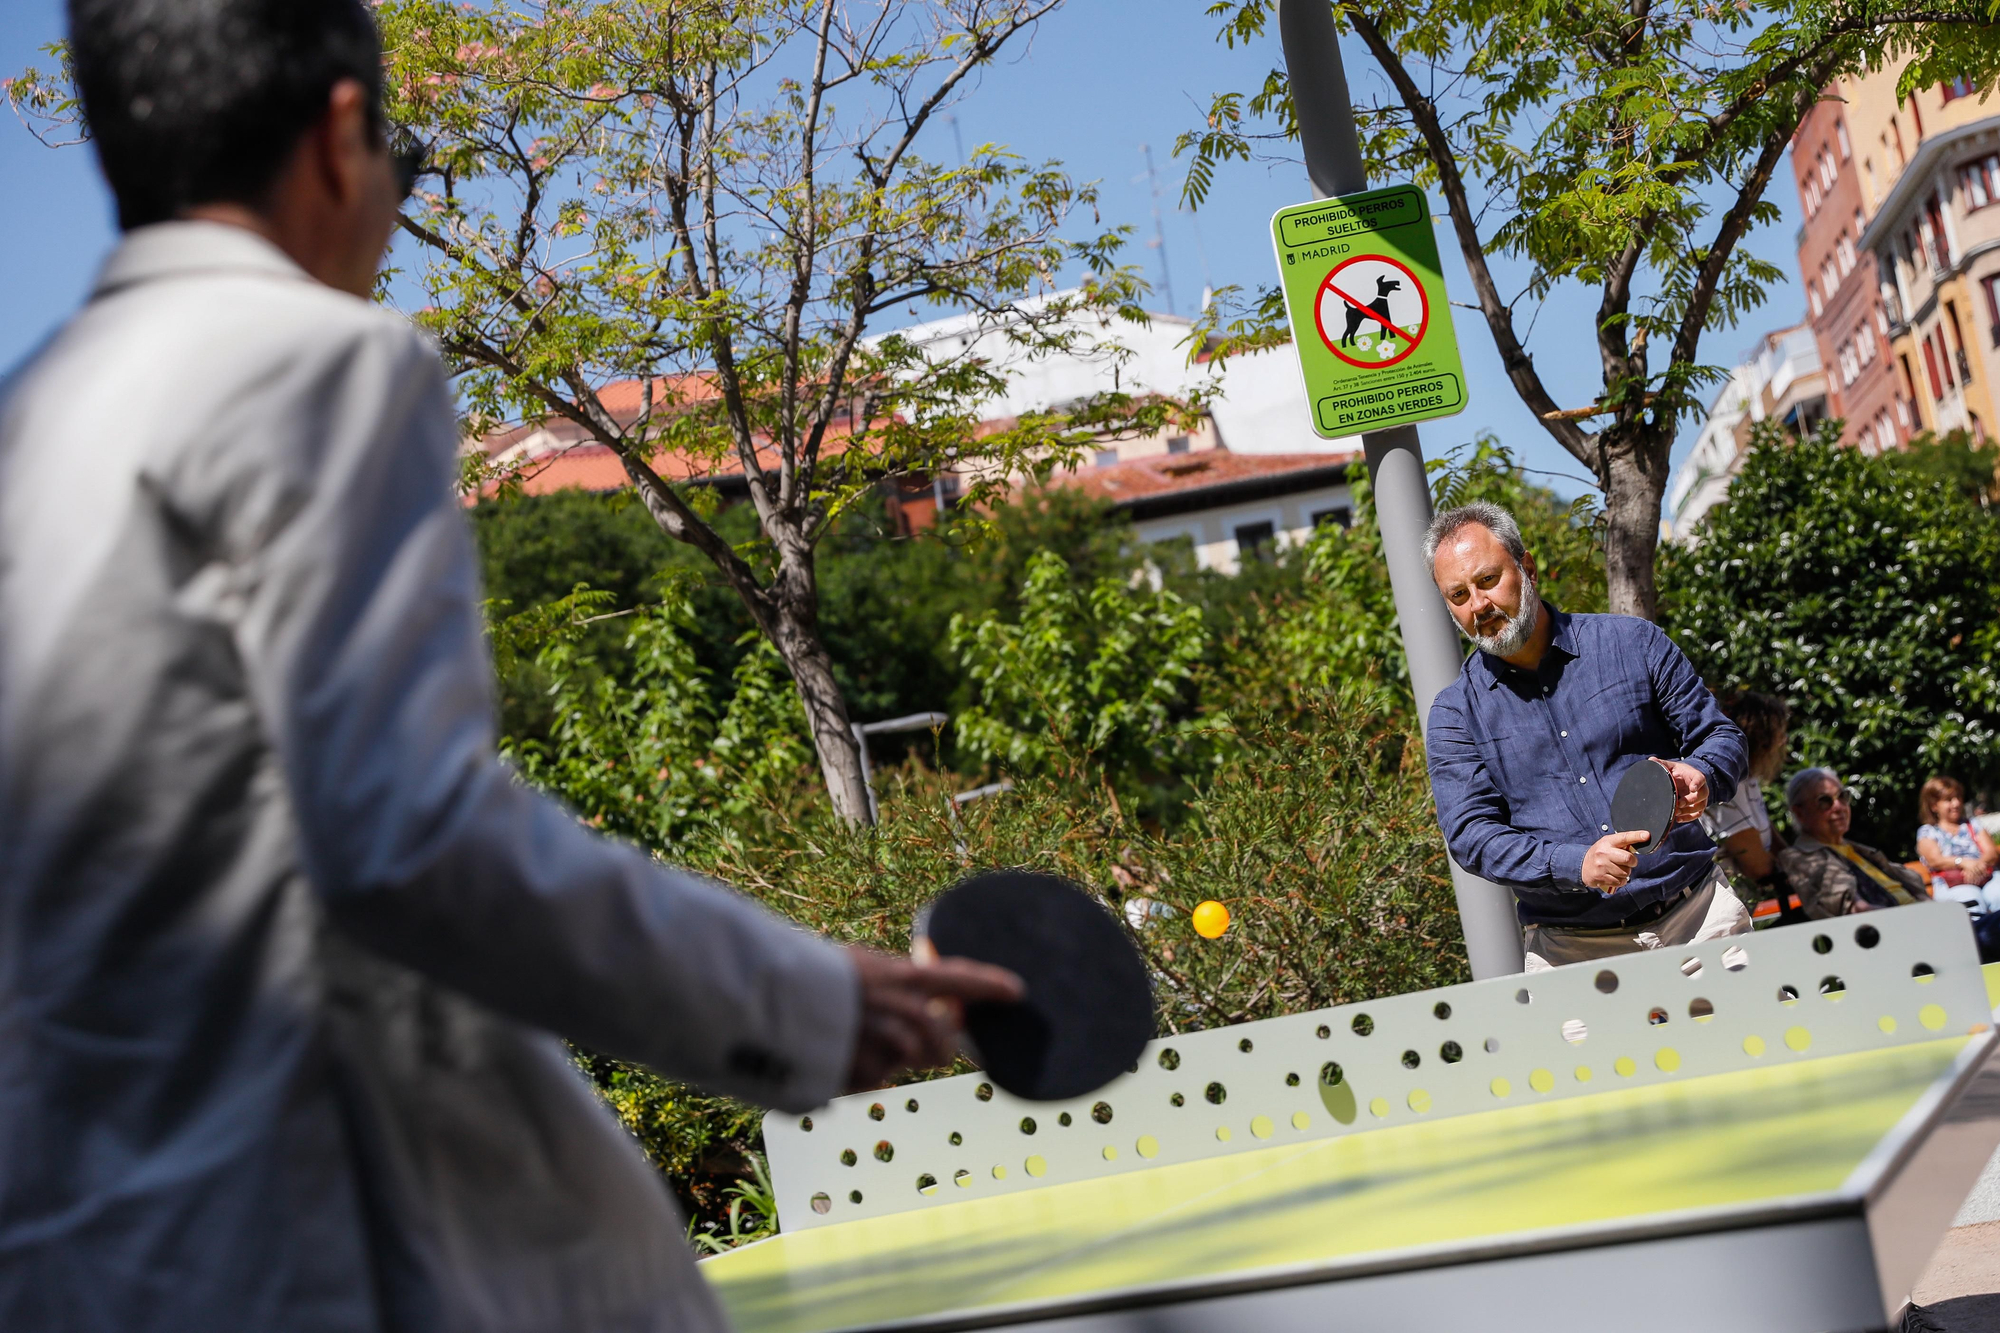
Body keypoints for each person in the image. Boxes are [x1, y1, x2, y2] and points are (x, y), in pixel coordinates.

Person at [0, 3, 1021, 1330]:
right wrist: (804, 1000)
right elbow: (407, 838)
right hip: (329, 1242)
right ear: (339, 134)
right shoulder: (316, 362)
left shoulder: (32, 420)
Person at [1422, 502, 1751, 972]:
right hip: (1573, 956)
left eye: (1488, 580)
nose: (1478, 605)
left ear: (1527, 568)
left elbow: (1720, 735)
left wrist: (1701, 772)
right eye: (1458, 595)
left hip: (1701, 921)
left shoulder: (1634, 643)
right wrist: (1574, 864)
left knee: (1757, 1047)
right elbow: (1472, 836)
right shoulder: (1455, 715)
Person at [1700, 690, 1801, 925]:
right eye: (1779, 732)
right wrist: (1792, 873)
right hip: (1728, 903)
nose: (1783, 740)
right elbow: (1753, 861)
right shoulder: (1730, 782)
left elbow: (1762, 826)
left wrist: (1791, 857)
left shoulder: (1749, 776)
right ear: (1761, 737)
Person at [1777, 769, 1928, 917]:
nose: (1838, 807)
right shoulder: (1802, 857)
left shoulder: (1856, 850)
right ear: (1799, 812)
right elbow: (1855, 910)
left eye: (1842, 796)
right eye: (1824, 801)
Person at [1916, 775, 2000, 909]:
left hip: (1986, 875)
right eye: (1949, 800)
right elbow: (1935, 860)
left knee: (1998, 895)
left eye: (1958, 798)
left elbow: (1991, 853)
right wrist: (1964, 863)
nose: (1956, 803)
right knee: (1971, 901)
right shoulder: (1928, 831)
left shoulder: (1973, 824)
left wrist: (1976, 867)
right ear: (1934, 805)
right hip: (1951, 884)